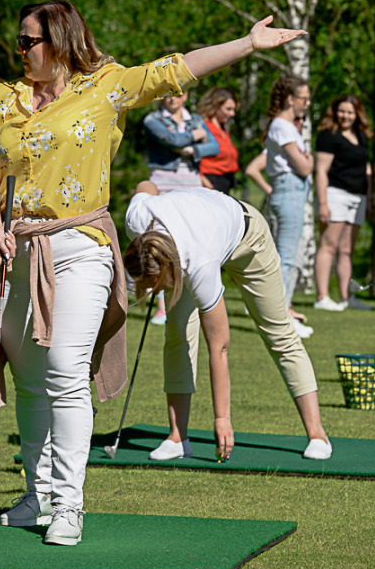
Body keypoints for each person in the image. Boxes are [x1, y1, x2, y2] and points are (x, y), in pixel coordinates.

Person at [0, 0, 306, 546]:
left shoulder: (106, 85)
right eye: (19, 41)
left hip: (80, 245)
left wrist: (247, 44)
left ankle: (69, 506)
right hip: (16, 250)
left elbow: (176, 68)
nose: (19, 50)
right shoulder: (4, 100)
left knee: (66, 372)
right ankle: (38, 492)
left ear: (58, 41)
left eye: (28, 41)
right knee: (30, 379)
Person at [123, 182, 331, 463]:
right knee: (177, 333)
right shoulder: (136, 218)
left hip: (248, 237)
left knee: (278, 331)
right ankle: (177, 438)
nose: (157, 293)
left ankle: (318, 434)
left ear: (171, 268)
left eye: (158, 286)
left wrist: (222, 418)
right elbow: (145, 186)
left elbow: (219, 347)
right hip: (196, 234)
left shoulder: (199, 264)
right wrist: (174, 196)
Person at [142, 94, 217, 323]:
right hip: (164, 181)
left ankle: (190, 302)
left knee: (192, 243)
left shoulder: (193, 118)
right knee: (162, 243)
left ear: (185, 95)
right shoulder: (152, 119)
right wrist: (196, 137)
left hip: (191, 183)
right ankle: (162, 307)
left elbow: (214, 146)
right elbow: (170, 140)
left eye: (177, 93)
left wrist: (191, 151)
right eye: (166, 93)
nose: (171, 98)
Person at [263, 75, 313, 339]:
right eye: (303, 98)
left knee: (291, 253)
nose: (306, 104)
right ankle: (279, 317)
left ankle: (281, 313)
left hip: (293, 187)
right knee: (288, 256)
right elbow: (304, 165)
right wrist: (310, 158)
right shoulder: (282, 125)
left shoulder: (286, 126)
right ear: (291, 99)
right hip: (290, 186)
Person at [314, 94, 373, 311]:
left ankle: (347, 298)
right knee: (328, 245)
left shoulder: (362, 135)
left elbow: (366, 169)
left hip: (357, 197)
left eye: (349, 112)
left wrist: (367, 200)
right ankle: (322, 297)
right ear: (335, 111)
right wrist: (323, 202)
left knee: (347, 249)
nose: (345, 116)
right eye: (341, 111)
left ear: (357, 114)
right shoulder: (329, 136)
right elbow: (321, 170)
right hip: (335, 194)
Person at [197, 87, 239, 194]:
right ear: (216, 106)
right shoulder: (204, 128)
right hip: (210, 182)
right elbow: (193, 155)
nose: (232, 114)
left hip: (225, 182)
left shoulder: (223, 130)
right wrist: (203, 180)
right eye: (228, 109)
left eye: (233, 110)